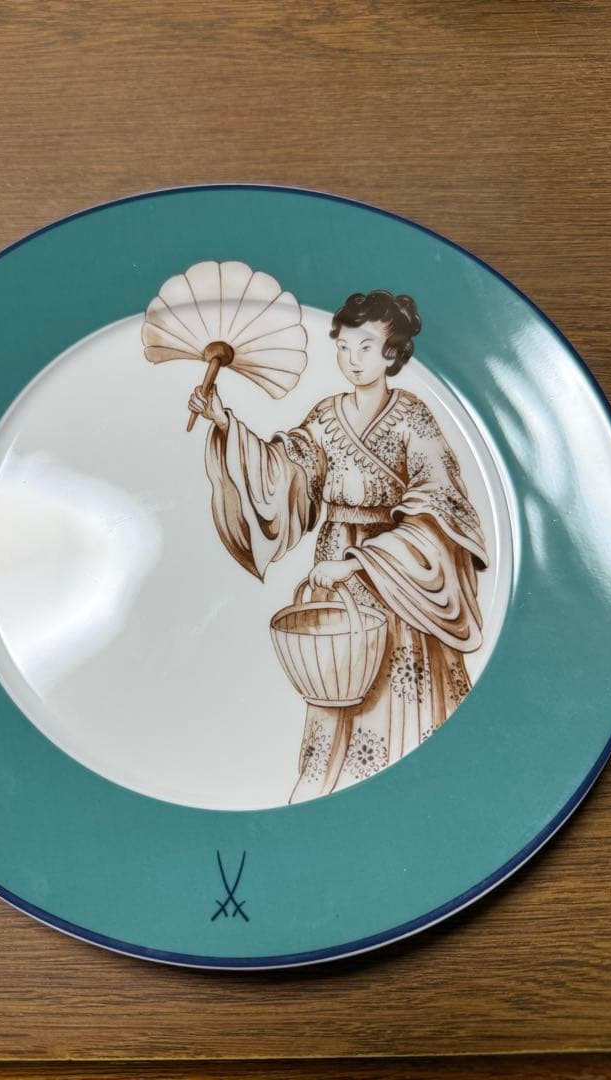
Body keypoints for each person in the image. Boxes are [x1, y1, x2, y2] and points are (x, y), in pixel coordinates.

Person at [188, 291, 488, 803]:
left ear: (392, 354)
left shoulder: (413, 419)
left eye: (366, 348)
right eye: (344, 348)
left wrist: (358, 563)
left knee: (397, 688)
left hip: (400, 579)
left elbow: (440, 507)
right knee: (336, 674)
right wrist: (225, 423)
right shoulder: (326, 416)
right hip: (332, 568)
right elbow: (286, 472)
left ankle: (413, 799)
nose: (352, 359)